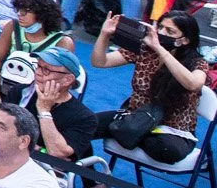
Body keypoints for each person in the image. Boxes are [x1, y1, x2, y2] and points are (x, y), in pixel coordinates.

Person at [90, 11, 211, 165]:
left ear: (185, 40)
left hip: (170, 130)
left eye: (170, 31)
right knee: (82, 125)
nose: (161, 32)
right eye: (160, 27)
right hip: (135, 116)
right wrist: (104, 34)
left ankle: (125, 133)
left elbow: (193, 84)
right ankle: (91, 183)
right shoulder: (144, 50)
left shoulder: (197, 62)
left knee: (168, 150)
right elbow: (100, 62)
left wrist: (160, 49)